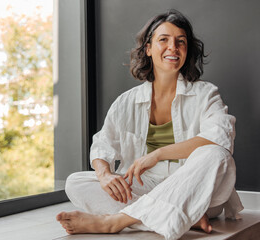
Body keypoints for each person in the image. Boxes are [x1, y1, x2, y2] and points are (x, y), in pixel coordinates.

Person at [56, 9, 243, 240]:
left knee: (216, 154)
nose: (172, 47)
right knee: (76, 182)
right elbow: (102, 145)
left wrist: (159, 154)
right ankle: (181, 217)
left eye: (180, 42)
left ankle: (117, 222)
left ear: (187, 50)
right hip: (147, 186)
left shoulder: (206, 93)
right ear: (148, 48)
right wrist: (104, 175)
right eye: (163, 40)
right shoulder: (126, 101)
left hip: (196, 190)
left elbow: (220, 138)